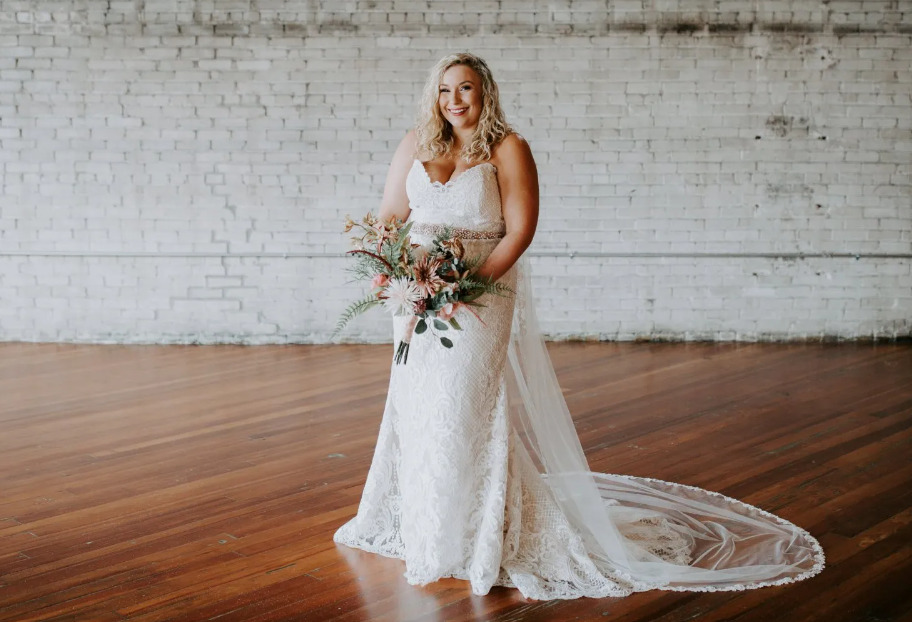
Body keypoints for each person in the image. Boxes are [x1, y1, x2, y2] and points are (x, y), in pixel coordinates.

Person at [333, 52, 825, 600]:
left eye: (465, 89)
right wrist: (399, 273)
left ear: (484, 92)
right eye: (445, 90)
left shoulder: (508, 147)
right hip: (416, 296)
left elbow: (519, 230)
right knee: (420, 405)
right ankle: (428, 524)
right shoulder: (416, 144)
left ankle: (475, 531)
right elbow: (388, 218)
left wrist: (469, 287)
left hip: (482, 293)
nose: (454, 100)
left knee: (464, 406)